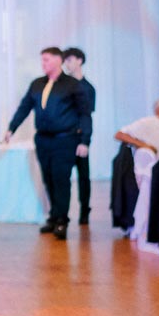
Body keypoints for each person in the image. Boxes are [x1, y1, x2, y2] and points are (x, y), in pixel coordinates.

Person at [5, 46, 93, 240]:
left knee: (61, 179)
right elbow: (24, 107)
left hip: (65, 139)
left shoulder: (72, 85)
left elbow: (85, 114)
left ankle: (62, 220)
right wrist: (12, 128)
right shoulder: (37, 84)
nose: (43, 63)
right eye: (42, 60)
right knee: (48, 179)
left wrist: (84, 141)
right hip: (43, 139)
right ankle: (53, 216)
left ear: (58, 60)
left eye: (46, 59)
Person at [62, 47, 96, 225]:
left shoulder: (88, 88)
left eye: (69, 60)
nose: (66, 64)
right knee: (62, 177)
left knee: (83, 176)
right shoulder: (61, 86)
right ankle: (62, 213)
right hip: (63, 138)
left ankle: (84, 210)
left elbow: (87, 117)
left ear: (79, 61)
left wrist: (85, 141)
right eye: (65, 61)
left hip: (79, 137)